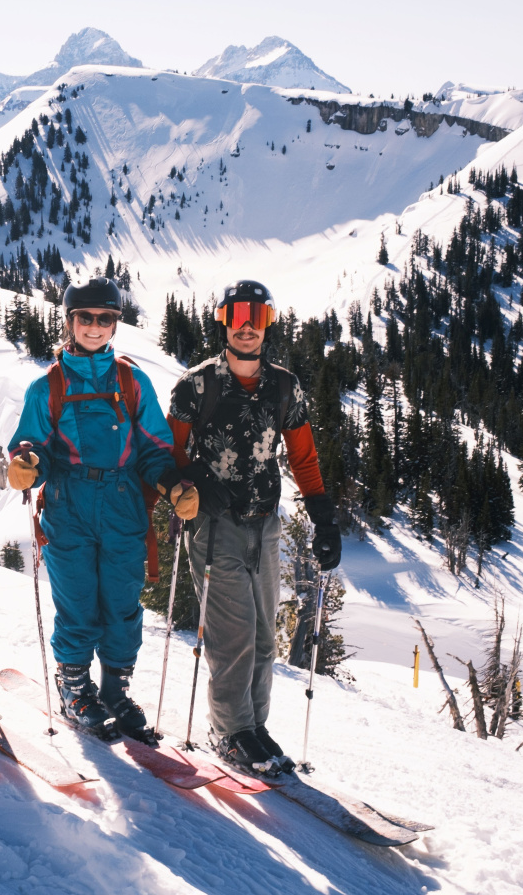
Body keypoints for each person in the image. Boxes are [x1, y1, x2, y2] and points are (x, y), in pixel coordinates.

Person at [5, 278, 197, 740]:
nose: (95, 326)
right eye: (86, 318)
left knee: (122, 602)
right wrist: (28, 461)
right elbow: (34, 442)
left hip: (122, 503)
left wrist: (171, 482)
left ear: (115, 323)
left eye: (105, 318)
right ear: (70, 322)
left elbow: (154, 447)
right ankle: (74, 686)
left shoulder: (133, 381)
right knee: (77, 601)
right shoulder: (46, 385)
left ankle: (114, 689)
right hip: (69, 503)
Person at [166, 279, 341, 773]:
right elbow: (169, 455)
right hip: (214, 527)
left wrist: (323, 518)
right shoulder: (197, 385)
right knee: (233, 638)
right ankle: (229, 732)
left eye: (257, 316)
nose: (247, 325)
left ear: (268, 323)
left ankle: (252, 728)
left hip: (264, 527)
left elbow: (304, 458)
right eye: (238, 314)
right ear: (223, 319)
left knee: (265, 637)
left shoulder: (284, 387)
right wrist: (196, 481)